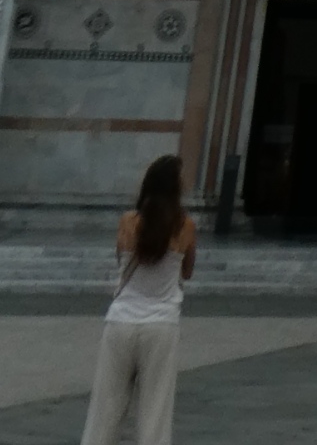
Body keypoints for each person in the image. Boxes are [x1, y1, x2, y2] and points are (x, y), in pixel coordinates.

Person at [80, 154, 194, 445]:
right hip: (161, 324)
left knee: (105, 407)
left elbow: (122, 258)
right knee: (155, 410)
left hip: (121, 320)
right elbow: (188, 271)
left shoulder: (128, 222)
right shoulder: (186, 227)